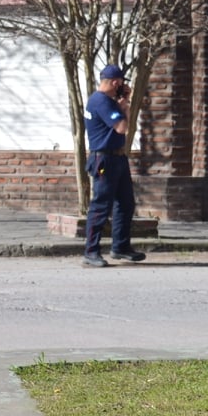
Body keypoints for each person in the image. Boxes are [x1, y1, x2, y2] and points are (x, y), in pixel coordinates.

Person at [82, 64, 145, 268]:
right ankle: (91, 252)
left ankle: (120, 247)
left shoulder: (105, 101)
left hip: (117, 158)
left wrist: (123, 101)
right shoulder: (101, 101)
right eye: (122, 84)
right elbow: (121, 127)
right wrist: (124, 104)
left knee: (125, 203)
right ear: (116, 82)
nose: (123, 87)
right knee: (101, 206)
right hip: (104, 160)